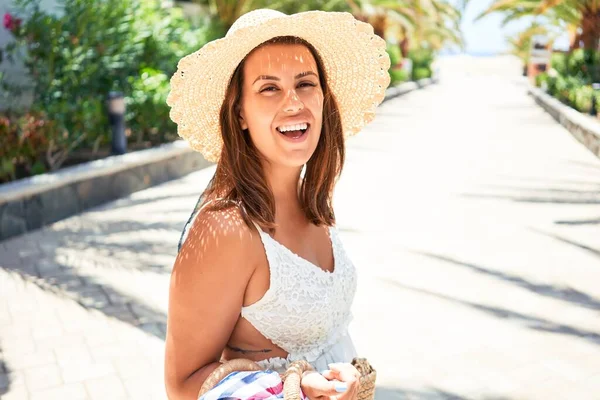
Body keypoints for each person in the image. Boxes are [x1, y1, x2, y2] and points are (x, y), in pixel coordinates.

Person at [164, 8, 390, 400]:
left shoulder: (312, 202)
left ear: (324, 98)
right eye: (269, 88)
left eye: (306, 83)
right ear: (240, 113)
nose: (293, 103)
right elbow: (182, 386)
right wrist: (293, 385)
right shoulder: (227, 229)